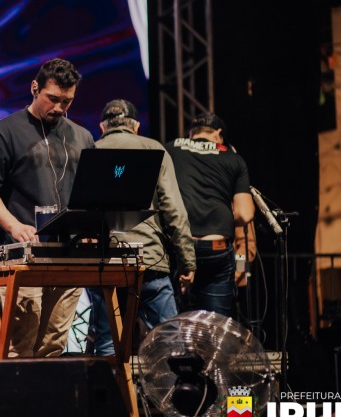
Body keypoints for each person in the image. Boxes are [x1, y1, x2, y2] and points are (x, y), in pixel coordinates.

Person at [0, 58, 95, 358]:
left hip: (69, 255)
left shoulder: (83, 137)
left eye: (67, 101)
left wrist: (92, 228)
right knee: (20, 346)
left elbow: (90, 193)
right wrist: (14, 225)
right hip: (21, 255)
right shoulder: (3, 133)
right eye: (53, 98)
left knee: (54, 345)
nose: (59, 108)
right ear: (34, 88)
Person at [87, 99, 197, 356]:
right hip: (149, 260)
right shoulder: (154, 149)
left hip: (105, 262)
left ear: (102, 127)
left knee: (108, 340)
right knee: (170, 340)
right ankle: (173, 383)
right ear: (135, 126)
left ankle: (113, 384)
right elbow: (174, 210)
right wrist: (187, 262)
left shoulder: (91, 150)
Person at [165, 112, 254, 317]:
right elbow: (244, 214)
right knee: (215, 323)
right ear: (218, 134)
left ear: (191, 134)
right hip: (216, 248)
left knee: (176, 321)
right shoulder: (232, 158)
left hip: (180, 247)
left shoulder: (170, 149)